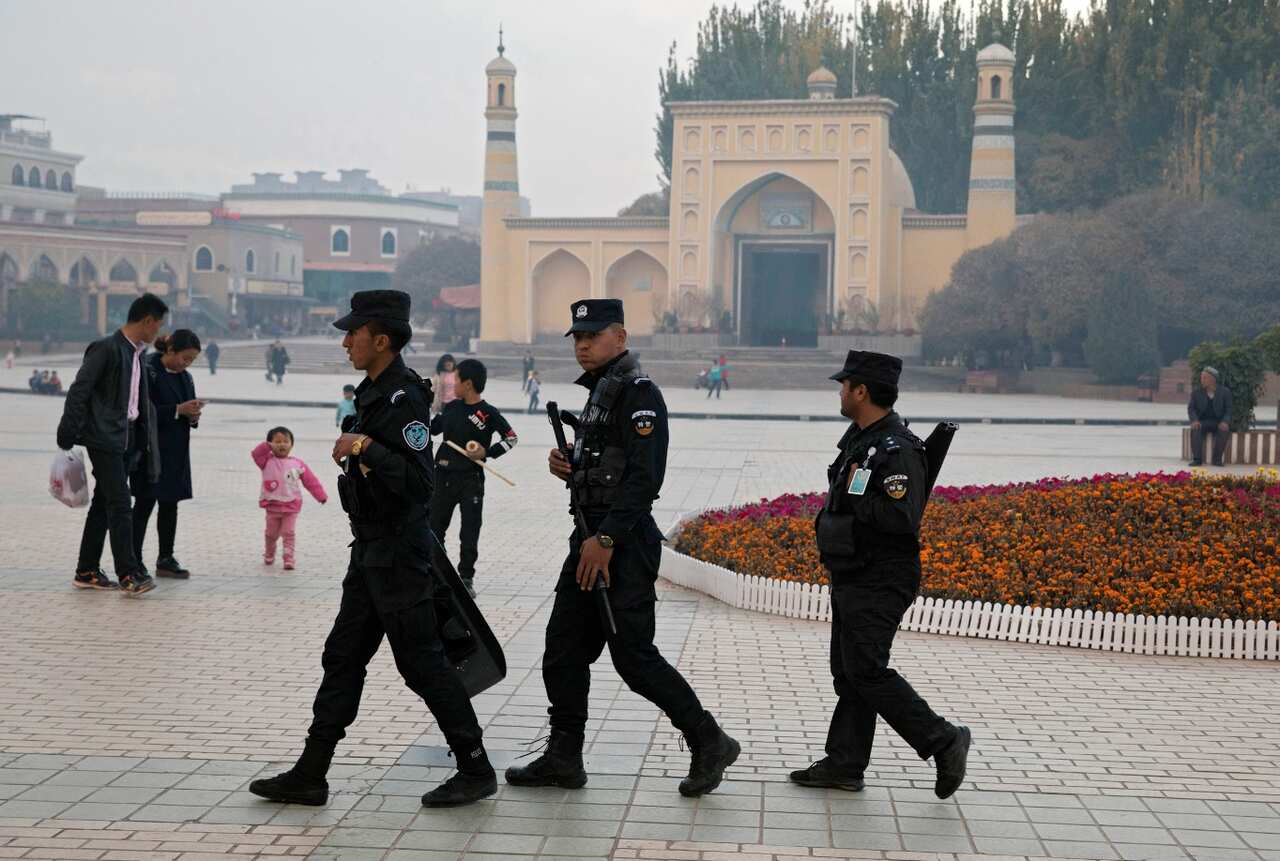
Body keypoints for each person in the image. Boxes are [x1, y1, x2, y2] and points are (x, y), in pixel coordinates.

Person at [249, 289, 496, 808]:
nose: (345, 343)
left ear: (381, 340)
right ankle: (311, 772)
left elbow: (419, 482)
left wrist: (364, 446)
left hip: (400, 555)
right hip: (370, 551)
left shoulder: (404, 398)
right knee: (342, 657)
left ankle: (475, 768)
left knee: (423, 664)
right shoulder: (373, 393)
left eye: (353, 333)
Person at [505, 298, 739, 797]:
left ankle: (709, 740)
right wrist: (570, 466)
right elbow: (608, 466)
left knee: (634, 659)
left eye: (593, 335)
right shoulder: (601, 392)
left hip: (622, 546)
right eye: (578, 337)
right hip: (588, 540)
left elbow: (644, 479)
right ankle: (564, 757)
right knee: (563, 650)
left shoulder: (639, 394)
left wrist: (607, 539)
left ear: (621, 337)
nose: (583, 345)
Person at [789, 350, 970, 799]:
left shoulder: (896, 449)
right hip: (854, 572)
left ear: (862, 391)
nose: (840, 392)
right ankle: (844, 764)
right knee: (849, 672)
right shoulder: (862, 440)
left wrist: (859, 496)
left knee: (867, 670)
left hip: (881, 576)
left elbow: (902, 517)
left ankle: (943, 739)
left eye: (844, 385)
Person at [55, 293, 167, 596]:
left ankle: (87, 569)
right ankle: (128, 574)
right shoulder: (106, 348)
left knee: (104, 504)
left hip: (125, 437)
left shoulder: (137, 353)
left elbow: (136, 401)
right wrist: (67, 432)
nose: (159, 330)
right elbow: (80, 390)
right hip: (104, 437)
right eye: (158, 324)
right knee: (120, 503)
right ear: (147, 320)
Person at [428, 359, 517, 597]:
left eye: (456, 379)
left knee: (470, 531)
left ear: (467, 384)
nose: (453, 384)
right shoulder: (451, 408)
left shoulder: (488, 413)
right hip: (443, 476)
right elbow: (431, 429)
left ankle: (466, 578)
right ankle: (438, 572)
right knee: (434, 526)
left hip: (471, 479)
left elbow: (511, 438)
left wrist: (486, 452)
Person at [130, 330, 204, 579]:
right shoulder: (147, 370)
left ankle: (165, 558)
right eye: (185, 357)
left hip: (176, 451)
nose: (187, 363)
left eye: (192, 360)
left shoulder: (186, 378)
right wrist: (177, 409)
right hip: (150, 451)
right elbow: (141, 410)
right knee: (144, 504)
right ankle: (133, 560)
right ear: (170, 350)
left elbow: (187, 411)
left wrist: (193, 415)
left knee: (170, 504)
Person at [251, 426, 328, 569]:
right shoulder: (266, 461)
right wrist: (267, 446)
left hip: (291, 505)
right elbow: (256, 454)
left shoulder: (297, 464)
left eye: (286, 441)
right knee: (271, 534)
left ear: (292, 444)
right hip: (272, 505)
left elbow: (310, 481)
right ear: (270, 444)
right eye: (277, 441)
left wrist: (321, 496)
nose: (282, 444)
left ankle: (288, 557)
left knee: (289, 532)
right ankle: (269, 553)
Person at [1188, 366, 1232, 467]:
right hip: (1202, 422)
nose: (1202, 380)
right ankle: (1197, 459)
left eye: (1205, 378)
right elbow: (1191, 409)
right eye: (1201, 378)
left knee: (1224, 430)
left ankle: (1217, 460)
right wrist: (1194, 420)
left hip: (1218, 422)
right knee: (1195, 429)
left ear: (1213, 379)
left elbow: (1229, 410)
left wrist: (1225, 421)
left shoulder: (1225, 392)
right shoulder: (1196, 392)